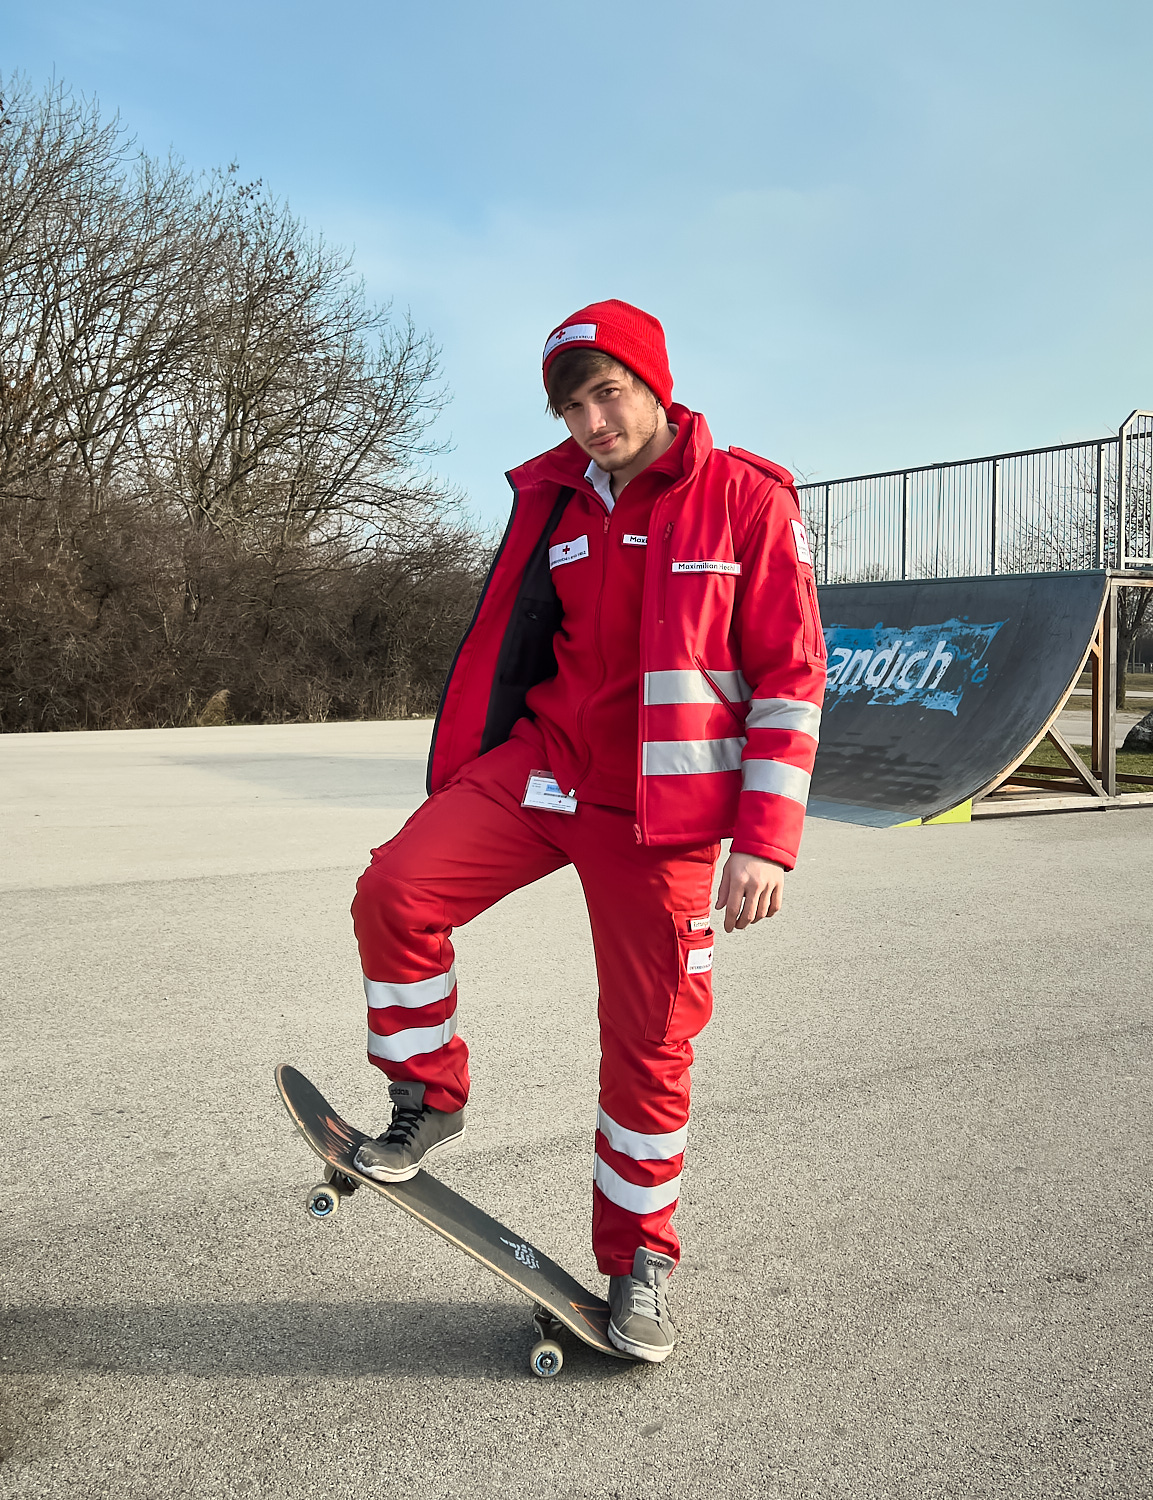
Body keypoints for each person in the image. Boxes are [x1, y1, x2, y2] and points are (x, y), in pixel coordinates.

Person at [349, 299, 827, 1362]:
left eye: (607, 393)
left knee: (650, 1042)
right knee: (395, 892)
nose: (591, 420)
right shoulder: (556, 500)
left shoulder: (744, 499)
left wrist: (765, 837)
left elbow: (792, 676)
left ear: (654, 383)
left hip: (661, 813)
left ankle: (639, 1262)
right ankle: (426, 1091)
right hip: (544, 769)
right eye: (571, 404)